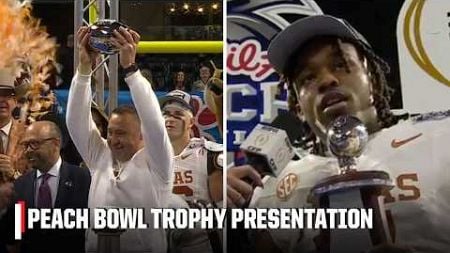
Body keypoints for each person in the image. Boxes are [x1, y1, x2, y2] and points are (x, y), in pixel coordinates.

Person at [228, 15, 450, 253]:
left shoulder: (440, 138)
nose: (326, 80)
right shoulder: (275, 188)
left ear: (372, 78)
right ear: (297, 107)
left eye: (340, 65)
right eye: (308, 78)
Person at [66, 26, 173, 253]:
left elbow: (154, 123)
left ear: (141, 135)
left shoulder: (158, 164)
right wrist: (84, 69)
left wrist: (131, 71)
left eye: (121, 133)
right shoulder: (100, 157)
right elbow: (75, 122)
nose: (113, 139)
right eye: (111, 132)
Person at [1, 121, 90, 253]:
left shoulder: (84, 179)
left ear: (55, 144)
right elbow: (16, 235)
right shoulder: (20, 186)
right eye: (25, 145)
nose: (28, 151)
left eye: (34, 144)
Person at [160, 90, 223, 253]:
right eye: (166, 114)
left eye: (178, 114)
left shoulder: (209, 154)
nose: (170, 119)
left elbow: (225, 215)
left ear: (191, 121)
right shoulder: (146, 157)